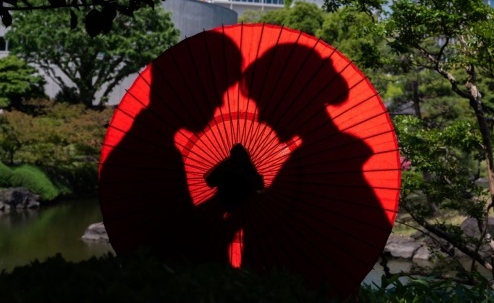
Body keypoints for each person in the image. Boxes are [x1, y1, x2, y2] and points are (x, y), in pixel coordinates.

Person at [239, 41, 393, 296]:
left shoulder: (318, 166)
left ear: (290, 101)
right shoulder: (327, 159)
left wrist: (240, 198)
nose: (263, 117)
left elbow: (284, 246)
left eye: (264, 104)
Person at [99, 30, 244, 264]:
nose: (219, 103)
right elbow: (174, 241)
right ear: (191, 88)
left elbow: (178, 222)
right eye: (218, 92)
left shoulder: (147, 141)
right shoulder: (150, 153)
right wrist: (230, 197)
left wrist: (226, 195)